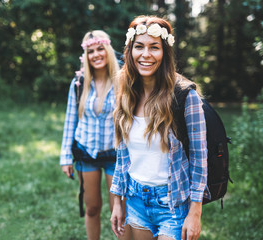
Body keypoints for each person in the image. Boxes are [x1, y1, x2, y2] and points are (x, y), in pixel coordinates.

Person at [110, 15, 210, 240]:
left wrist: (195, 212)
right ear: (130, 51)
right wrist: (117, 200)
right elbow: (122, 154)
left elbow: (199, 158)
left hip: (173, 204)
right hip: (135, 199)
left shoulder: (185, 96)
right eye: (139, 47)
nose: (146, 54)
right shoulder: (125, 93)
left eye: (154, 47)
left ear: (164, 52)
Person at [60, 30, 131, 240]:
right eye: (91, 51)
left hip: (115, 156)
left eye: (100, 49)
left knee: (119, 212)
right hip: (86, 153)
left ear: (108, 50)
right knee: (91, 208)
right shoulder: (79, 84)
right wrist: (65, 156)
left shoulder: (122, 82)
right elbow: (70, 121)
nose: (96, 54)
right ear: (85, 56)